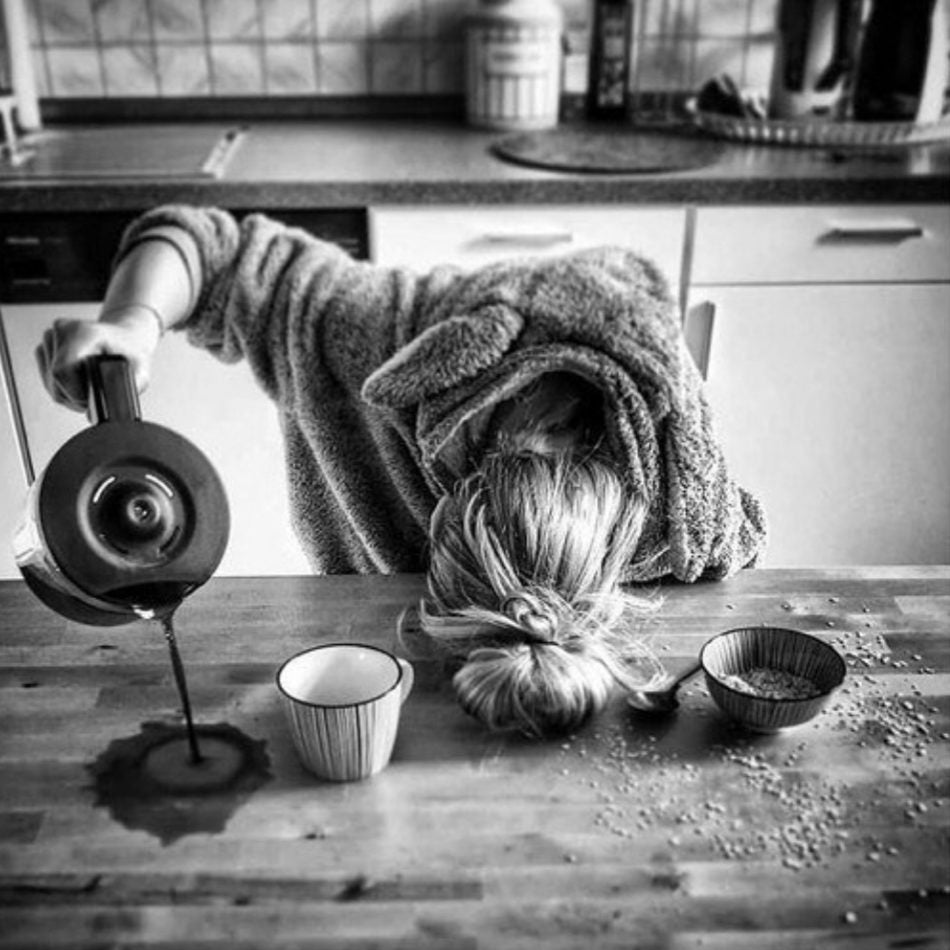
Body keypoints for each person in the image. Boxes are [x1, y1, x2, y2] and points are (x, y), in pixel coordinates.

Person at [37, 206, 767, 737]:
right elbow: (207, 246)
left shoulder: (679, 498)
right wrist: (131, 322)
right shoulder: (374, 334)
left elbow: (739, 550)